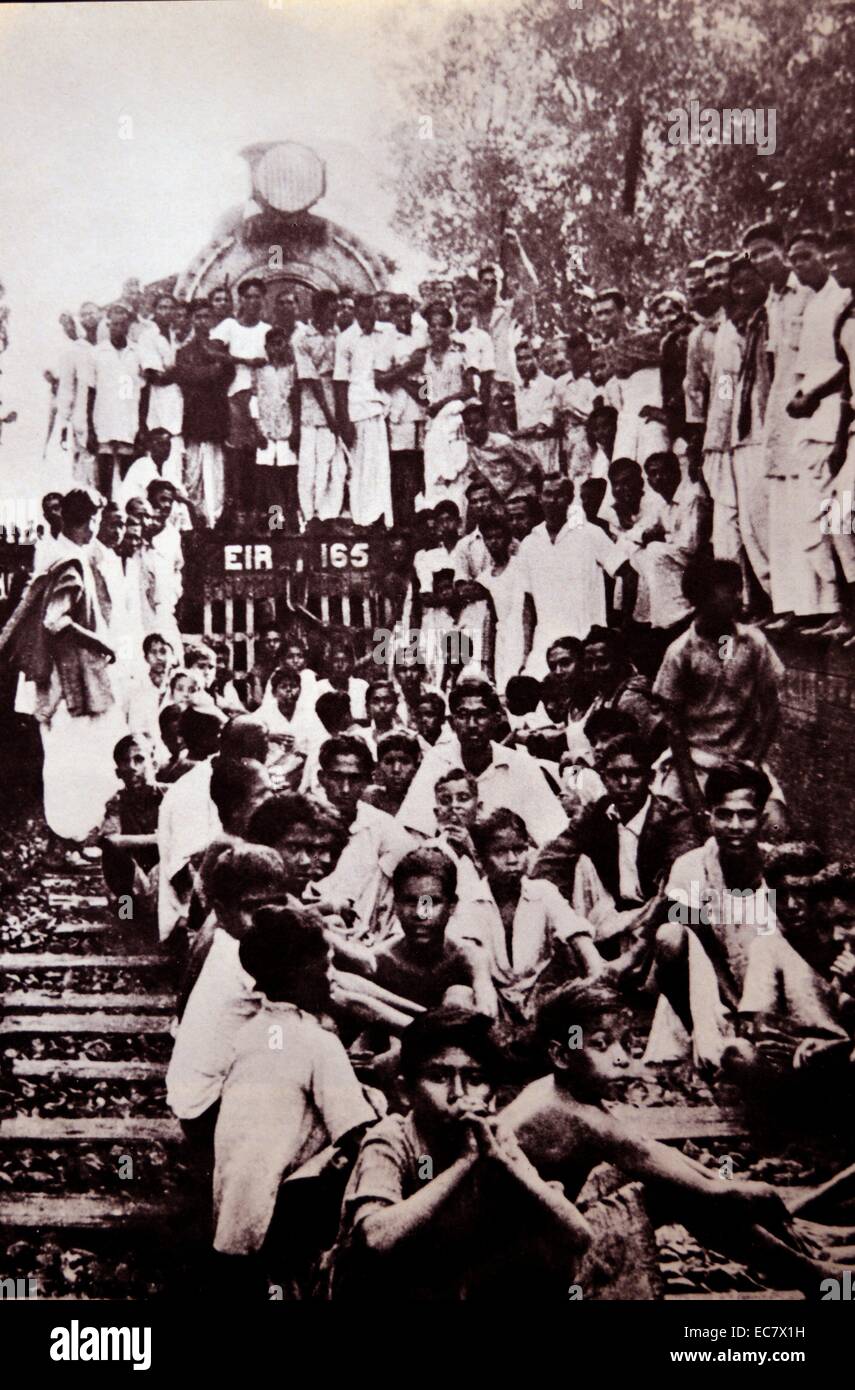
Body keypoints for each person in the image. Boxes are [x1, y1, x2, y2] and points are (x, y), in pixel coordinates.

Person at [497, 980, 792, 1299]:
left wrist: (729, 1185)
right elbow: (707, 1190)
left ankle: (804, 1263)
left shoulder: (553, 1089)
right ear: (561, 1055)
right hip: (514, 1272)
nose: (621, 1057)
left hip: (523, 1243)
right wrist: (754, 1193)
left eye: (626, 1043)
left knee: (674, 1186)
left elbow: (654, 1153)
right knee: (678, 1194)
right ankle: (809, 1272)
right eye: (601, 1044)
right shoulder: (579, 1117)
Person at [331, 1006, 591, 1300]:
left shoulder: (494, 1139)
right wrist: (464, 1163)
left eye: (475, 1078)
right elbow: (377, 1240)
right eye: (438, 1077)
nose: (458, 1093)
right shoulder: (391, 1140)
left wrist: (506, 1163)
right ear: (406, 1092)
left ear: (492, 1094)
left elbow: (578, 1236)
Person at [212, 907, 379, 1278]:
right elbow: (356, 1134)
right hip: (276, 1221)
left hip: (232, 1214)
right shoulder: (318, 1044)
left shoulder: (253, 1029)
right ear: (296, 977)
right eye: (324, 968)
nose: (331, 978)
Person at [0, 487, 124, 861]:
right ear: (90, 520)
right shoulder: (69, 560)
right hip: (66, 680)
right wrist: (103, 644)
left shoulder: (67, 555)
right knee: (72, 759)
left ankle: (78, 837)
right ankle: (69, 839)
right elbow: (56, 621)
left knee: (78, 757)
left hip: (69, 677)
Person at [647, 762, 780, 1067]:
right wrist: (735, 1003)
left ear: (761, 819)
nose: (735, 826)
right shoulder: (690, 867)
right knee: (670, 936)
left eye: (745, 815)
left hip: (763, 980)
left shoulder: (776, 867)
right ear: (709, 818)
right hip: (707, 982)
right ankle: (697, 1034)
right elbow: (700, 939)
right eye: (724, 815)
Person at [652, 557, 785, 834]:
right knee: (675, 833)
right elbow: (674, 730)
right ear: (701, 597)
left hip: (743, 763)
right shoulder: (681, 653)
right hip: (695, 764)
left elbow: (771, 710)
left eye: (739, 588)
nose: (739, 597)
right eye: (729, 590)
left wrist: (753, 766)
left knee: (775, 828)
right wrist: (695, 799)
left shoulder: (754, 643)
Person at [460, 808, 604, 1020]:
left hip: (542, 997)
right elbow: (473, 960)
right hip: (493, 999)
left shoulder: (543, 891)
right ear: (479, 859)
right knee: (464, 1001)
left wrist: (594, 973)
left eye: (519, 850)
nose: (512, 860)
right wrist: (483, 990)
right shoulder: (470, 901)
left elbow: (576, 933)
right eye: (500, 852)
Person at [395, 677, 568, 846]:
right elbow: (413, 834)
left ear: (496, 719)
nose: (471, 724)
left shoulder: (521, 765)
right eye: (463, 715)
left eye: (481, 714)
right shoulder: (437, 760)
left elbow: (553, 836)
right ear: (452, 722)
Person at [517, 475, 633, 676]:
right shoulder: (529, 543)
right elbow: (527, 603)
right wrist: (526, 652)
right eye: (548, 494)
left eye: (560, 495)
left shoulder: (590, 533)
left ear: (570, 498)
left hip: (586, 645)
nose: (553, 501)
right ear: (539, 498)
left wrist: (622, 624)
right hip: (545, 646)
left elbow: (627, 573)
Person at [314, 734, 415, 943]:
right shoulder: (301, 823)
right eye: (336, 777)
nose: (345, 789)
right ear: (321, 778)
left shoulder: (381, 826)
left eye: (354, 778)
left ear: (369, 780)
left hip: (366, 942)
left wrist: (423, 921)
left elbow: (428, 877)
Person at [630, 450, 710, 638]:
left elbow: (690, 546)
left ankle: (677, 616)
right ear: (648, 481)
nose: (659, 478)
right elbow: (637, 532)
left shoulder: (691, 497)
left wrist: (659, 539)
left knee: (654, 551)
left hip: (700, 561)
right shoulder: (663, 504)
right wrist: (647, 536)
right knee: (638, 554)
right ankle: (653, 618)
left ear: (677, 473)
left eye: (663, 472)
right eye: (653, 474)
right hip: (678, 558)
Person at [211, 277, 271, 519]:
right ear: (242, 300)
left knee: (261, 456)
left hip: (262, 399)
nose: (253, 301)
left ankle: (261, 516)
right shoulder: (229, 326)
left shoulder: (266, 330)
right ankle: (236, 516)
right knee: (237, 456)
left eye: (258, 296)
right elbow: (211, 350)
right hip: (236, 396)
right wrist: (244, 361)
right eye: (249, 296)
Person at [174, 299, 235, 527]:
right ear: (191, 319)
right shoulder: (184, 352)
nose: (202, 321)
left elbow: (227, 377)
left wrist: (212, 370)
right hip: (195, 419)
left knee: (217, 476)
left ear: (212, 319)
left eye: (206, 316)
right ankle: (197, 523)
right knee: (194, 476)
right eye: (198, 317)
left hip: (216, 420)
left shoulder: (221, 349)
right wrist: (212, 371)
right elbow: (187, 377)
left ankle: (215, 522)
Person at [333, 293, 393, 528]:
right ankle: (361, 519)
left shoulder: (386, 332)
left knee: (379, 468)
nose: (367, 312)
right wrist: (344, 420)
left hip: (380, 410)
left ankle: (380, 518)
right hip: (356, 410)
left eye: (371, 307)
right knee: (359, 469)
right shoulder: (346, 339)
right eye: (362, 307)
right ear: (356, 311)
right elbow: (340, 382)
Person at [98, 733, 164, 923]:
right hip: (133, 876)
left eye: (139, 759)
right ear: (118, 771)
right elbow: (112, 839)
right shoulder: (117, 801)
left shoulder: (170, 795)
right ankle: (127, 915)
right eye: (125, 762)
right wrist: (156, 839)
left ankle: (175, 918)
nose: (132, 768)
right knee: (113, 854)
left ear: (154, 764)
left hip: (165, 875)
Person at [374, 294, 427, 527]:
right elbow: (380, 379)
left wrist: (404, 373)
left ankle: (420, 521)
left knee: (420, 468)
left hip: (422, 408)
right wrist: (405, 371)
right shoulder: (387, 340)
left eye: (406, 311)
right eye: (398, 312)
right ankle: (400, 523)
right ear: (392, 315)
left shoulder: (421, 335)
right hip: (398, 412)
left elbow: (426, 373)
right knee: (400, 468)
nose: (403, 316)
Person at [86, 303, 145, 499]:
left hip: (128, 421)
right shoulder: (97, 353)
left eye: (123, 324)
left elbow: (143, 392)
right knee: (104, 479)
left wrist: (142, 427)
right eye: (115, 324)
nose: (119, 328)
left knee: (128, 479)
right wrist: (91, 430)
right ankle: (105, 514)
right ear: (108, 325)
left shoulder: (137, 353)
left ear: (128, 326)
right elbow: (91, 392)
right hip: (104, 420)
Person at [252, 326, 300, 527]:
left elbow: (296, 401)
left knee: (288, 479)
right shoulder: (260, 370)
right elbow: (254, 399)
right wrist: (257, 429)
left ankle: (293, 523)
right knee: (270, 482)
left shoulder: (292, 370)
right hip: (266, 432)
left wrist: (296, 429)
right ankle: (276, 525)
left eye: (280, 344)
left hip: (287, 431)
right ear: (266, 347)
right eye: (273, 344)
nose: (277, 348)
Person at [138, 292, 184, 482]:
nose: (167, 312)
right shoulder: (148, 337)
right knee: (160, 452)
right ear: (155, 311)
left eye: (171, 308)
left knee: (177, 454)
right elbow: (156, 376)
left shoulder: (176, 336)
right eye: (162, 307)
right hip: (160, 402)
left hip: (177, 401)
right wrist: (183, 371)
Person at [513, 339, 559, 475]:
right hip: (524, 451)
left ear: (537, 359)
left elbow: (544, 424)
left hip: (544, 447)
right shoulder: (517, 388)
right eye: (519, 359)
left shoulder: (549, 384)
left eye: (527, 358)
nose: (522, 363)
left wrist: (516, 434)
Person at [363, 730, 421, 819]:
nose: (396, 769)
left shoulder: (425, 804)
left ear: (416, 767)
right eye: (389, 762)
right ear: (378, 766)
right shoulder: (369, 800)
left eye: (405, 762)